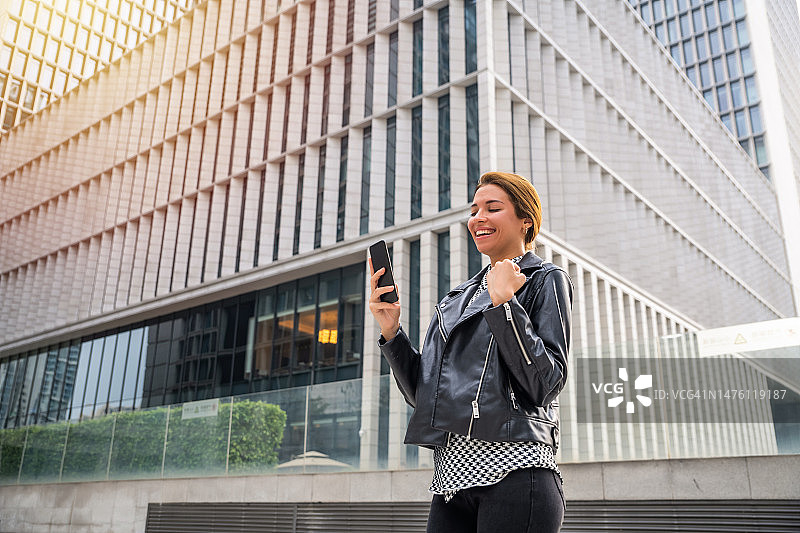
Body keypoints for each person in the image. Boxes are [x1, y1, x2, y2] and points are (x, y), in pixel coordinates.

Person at [368, 172, 572, 533]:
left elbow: (546, 383)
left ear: (526, 220)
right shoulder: (455, 299)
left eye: (493, 208)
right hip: (450, 484)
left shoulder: (544, 279)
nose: (478, 217)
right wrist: (391, 331)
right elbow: (425, 396)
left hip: (516, 473)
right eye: (474, 209)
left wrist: (505, 304)